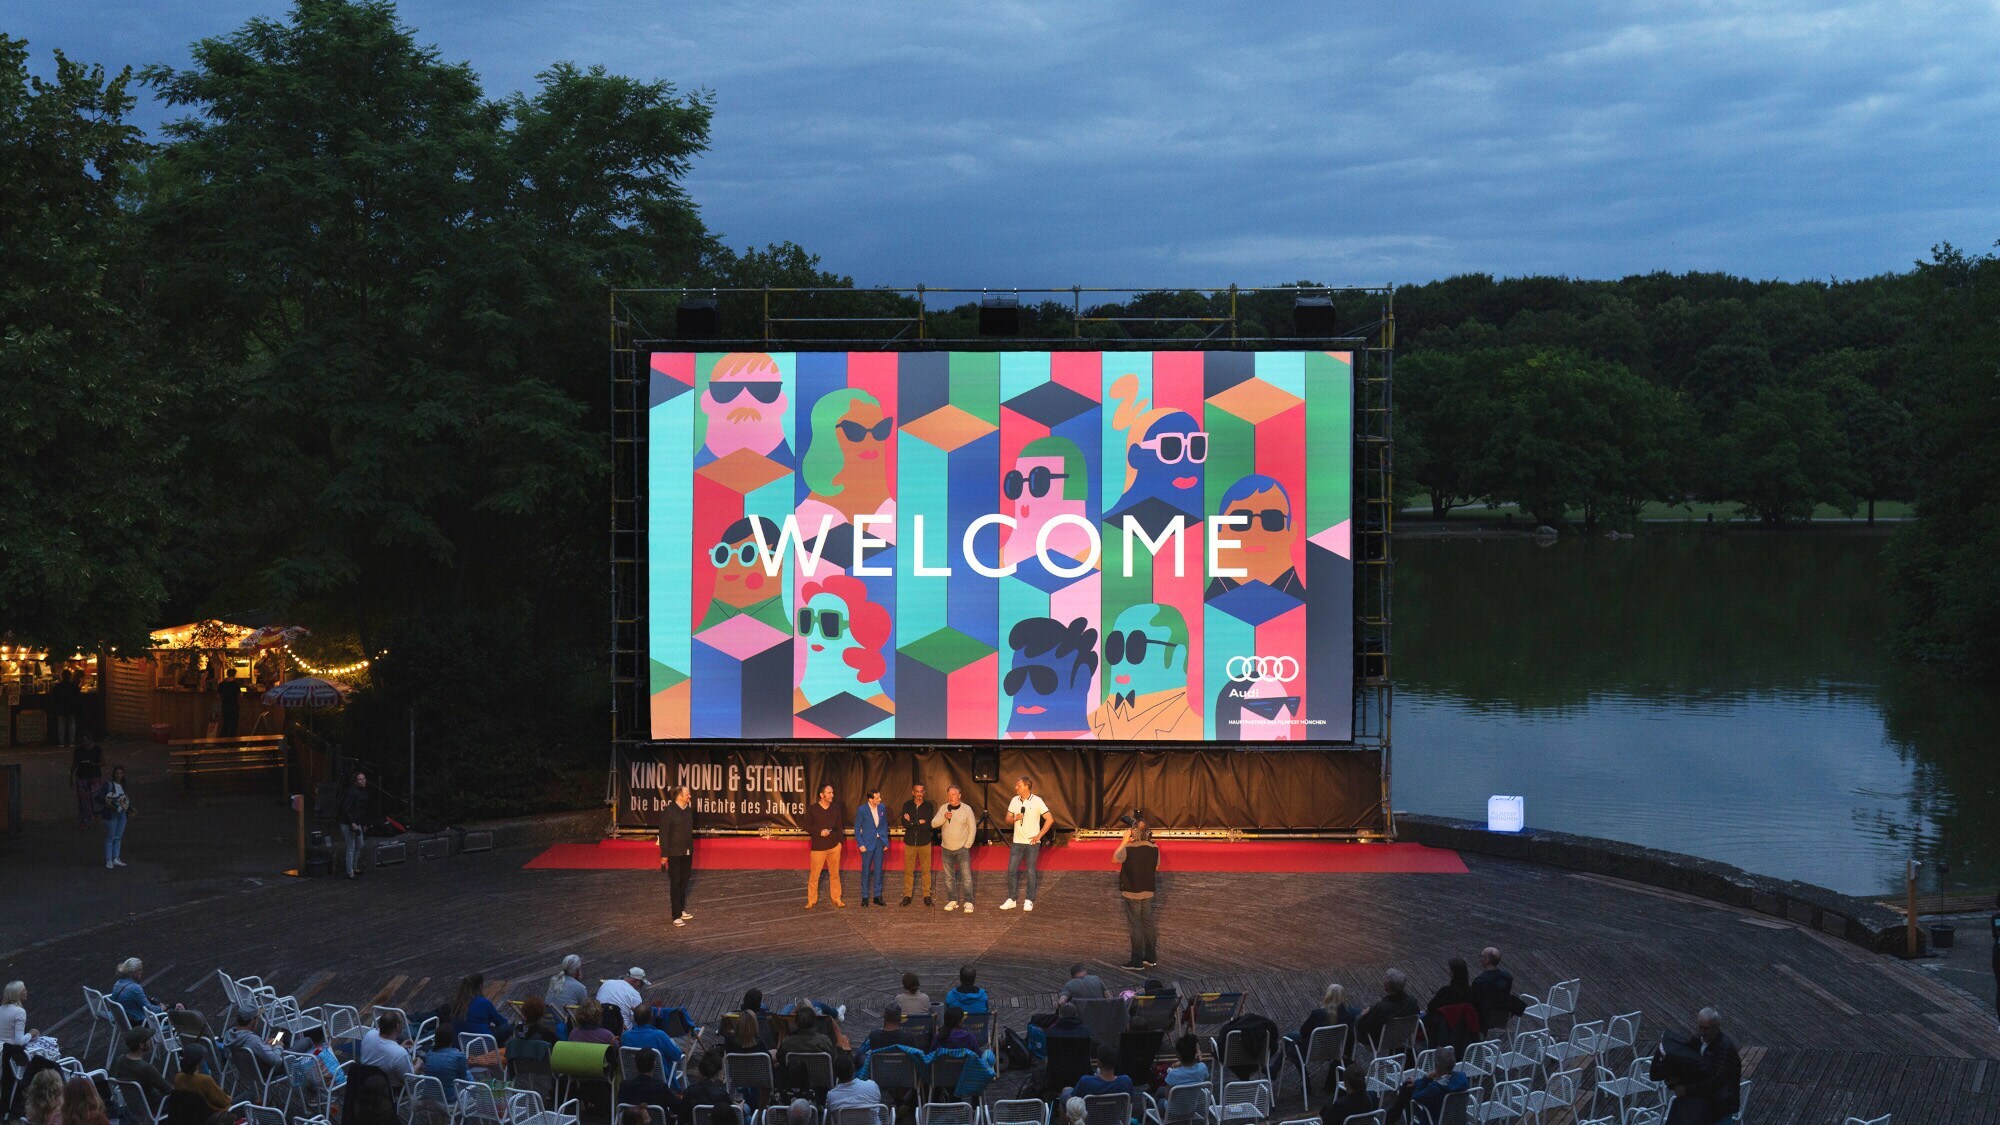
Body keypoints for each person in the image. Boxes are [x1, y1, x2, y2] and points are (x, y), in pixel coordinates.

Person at [1664, 1008, 1742, 1125]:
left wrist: (1686, 1089)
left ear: (1716, 1027)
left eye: (1707, 1028)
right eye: (1700, 1027)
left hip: (1719, 1101)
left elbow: (1716, 1081)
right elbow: (1686, 1063)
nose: (1703, 1032)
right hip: (1702, 1096)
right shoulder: (1697, 1040)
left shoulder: (1725, 1048)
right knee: (1676, 1110)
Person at [1112, 820, 1160, 969]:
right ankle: (1151, 958)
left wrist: (1124, 841)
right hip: (1148, 890)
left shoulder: (1128, 849)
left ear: (1133, 833)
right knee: (1147, 922)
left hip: (1132, 891)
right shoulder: (1154, 848)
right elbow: (1156, 867)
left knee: (1135, 925)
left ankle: (1137, 960)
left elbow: (1114, 859)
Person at [1001, 776, 1051, 911]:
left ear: (1026, 786)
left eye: (1018, 785)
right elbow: (1007, 819)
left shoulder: (1037, 801)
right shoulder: (1014, 800)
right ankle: (1012, 899)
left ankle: (1029, 899)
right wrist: (1014, 818)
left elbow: (1049, 819)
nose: (1015, 787)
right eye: (1016, 785)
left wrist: (1039, 835)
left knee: (1030, 871)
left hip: (1032, 843)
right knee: (1011, 870)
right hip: (1017, 842)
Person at [1385, 1045, 1466, 1125]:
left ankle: (1390, 1119)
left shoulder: (1435, 1088)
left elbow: (1416, 1097)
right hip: (1454, 1119)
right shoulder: (1462, 1078)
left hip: (1433, 1120)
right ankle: (1392, 1118)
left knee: (1408, 1089)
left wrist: (1426, 1078)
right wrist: (1418, 1082)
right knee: (1409, 1086)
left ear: (1437, 1067)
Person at [1353, 970, 1420, 1057]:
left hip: (1381, 1041)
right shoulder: (1412, 1002)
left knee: (1354, 1021)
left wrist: (1362, 1015)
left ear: (1386, 986)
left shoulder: (1382, 1007)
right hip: (1402, 1037)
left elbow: (1364, 1025)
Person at [932, 786, 977, 912]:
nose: (951, 797)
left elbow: (972, 828)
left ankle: (968, 901)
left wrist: (967, 845)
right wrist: (944, 817)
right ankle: (952, 899)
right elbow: (933, 824)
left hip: (962, 848)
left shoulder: (967, 809)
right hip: (946, 848)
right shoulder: (943, 808)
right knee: (948, 876)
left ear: (959, 795)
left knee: (966, 876)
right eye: (949, 795)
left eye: (953, 794)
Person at [804, 785, 846, 909]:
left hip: (834, 847)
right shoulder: (813, 809)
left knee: (835, 874)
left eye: (832, 792)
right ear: (822, 795)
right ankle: (811, 900)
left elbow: (839, 825)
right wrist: (819, 832)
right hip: (818, 848)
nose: (832, 795)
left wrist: (840, 843)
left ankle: (837, 898)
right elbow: (806, 826)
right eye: (829, 793)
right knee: (814, 876)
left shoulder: (835, 808)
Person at [660, 786, 695, 927]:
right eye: (687, 794)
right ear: (679, 795)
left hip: (687, 851)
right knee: (675, 883)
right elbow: (664, 834)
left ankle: (681, 910)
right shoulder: (668, 812)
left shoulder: (688, 810)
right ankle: (675, 916)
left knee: (684, 881)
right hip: (674, 853)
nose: (689, 796)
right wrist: (664, 854)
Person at [110, 1028, 174, 1103]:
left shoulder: (120, 1060)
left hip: (133, 1105)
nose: (150, 1041)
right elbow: (169, 1090)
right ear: (141, 1045)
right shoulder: (146, 1068)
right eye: (148, 1040)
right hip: (153, 1106)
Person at [1468, 947, 1524, 1033]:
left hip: (1484, 1020)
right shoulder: (1507, 977)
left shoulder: (1479, 982)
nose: (1480, 958)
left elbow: (1475, 1004)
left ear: (1487, 960)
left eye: (1481, 956)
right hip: (1502, 1018)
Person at [898, 783, 936, 906]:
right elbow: (904, 823)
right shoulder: (907, 805)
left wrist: (912, 822)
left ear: (924, 792)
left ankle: (927, 895)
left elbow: (928, 825)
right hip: (910, 842)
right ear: (913, 792)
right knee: (908, 871)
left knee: (926, 870)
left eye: (921, 791)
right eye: (917, 791)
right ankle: (907, 895)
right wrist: (918, 822)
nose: (919, 793)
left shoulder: (929, 806)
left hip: (924, 842)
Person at [358, 1011, 418, 1084]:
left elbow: (380, 1052)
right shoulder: (400, 1053)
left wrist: (399, 1046)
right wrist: (418, 1065)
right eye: (402, 1021)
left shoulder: (369, 1034)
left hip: (366, 1081)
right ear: (397, 1026)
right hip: (390, 1091)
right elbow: (409, 1079)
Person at [449, 974, 510, 1043]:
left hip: (460, 1043)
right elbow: (501, 1021)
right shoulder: (483, 1002)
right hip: (481, 1044)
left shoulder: (456, 1002)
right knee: (507, 1027)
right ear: (480, 986)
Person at [854, 790, 889, 908]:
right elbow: (857, 828)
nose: (880, 799)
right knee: (866, 871)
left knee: (879, 870)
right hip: (867, 844)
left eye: (879, 797)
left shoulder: (882, 807)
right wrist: (861, 844)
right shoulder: (862, 810)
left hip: (879, 843)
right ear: (870, 799)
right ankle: (865, 896)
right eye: (877, 798)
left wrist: (885, 840)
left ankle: (877, 896)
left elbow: (884, 824)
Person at [623, 1007, 685, 1072]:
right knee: (679, 1054)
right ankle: (683, 1081)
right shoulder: (659, 1035)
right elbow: (677, 1056)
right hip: (661, 1078)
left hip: (633, 1076)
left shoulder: (625, 1036)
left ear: (634, 1019)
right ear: (651, 1018)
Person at [775, 1008, 834, 1076]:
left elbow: (780, 1058)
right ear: (814, 1022)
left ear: (796, 1023)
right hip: (822, 1080)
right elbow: (832, 1059)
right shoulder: (824, 1040)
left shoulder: (787, 1041)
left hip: (796, 1080)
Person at [338, 770, 372, 879]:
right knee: (351, 846)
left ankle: (354, 865)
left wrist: (364, 824)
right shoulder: (351, 792)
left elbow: (363, 810)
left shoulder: (364, 791)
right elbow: (346, 808)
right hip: (347, 822)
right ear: (355, 781)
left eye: (364, 779)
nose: (363, 781)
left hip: (357, 822)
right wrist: (351, 822)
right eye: (360, 779)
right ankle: (350, 871)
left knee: (360, 844)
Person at [620, 1050, 677, 1115]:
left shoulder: (624, 1086)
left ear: (635, 1064)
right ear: (654, 1064)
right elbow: (676, 1108)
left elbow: (622, 1109)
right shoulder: (661, 1087)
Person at [1066, 1046, 1133, 1100]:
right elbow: (1131, 1101)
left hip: (1089, 1116)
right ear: (1116, 1062)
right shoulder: (1126, 1081)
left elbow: (1072, 1104)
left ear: (1098, 1062)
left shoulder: (1085, 1081)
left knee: (1066, 1092)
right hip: (1117, 1116)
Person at [109, 959, 165, 1023]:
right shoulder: (135, 988)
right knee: (173, 1015)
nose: (142, 972)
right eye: (140, 970)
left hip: (124, 1021)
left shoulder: (117, 983)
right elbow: (149, 1009)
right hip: (140, 1022)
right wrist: (162, 1008)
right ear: (134, 972)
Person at [99, 766, 131, 870]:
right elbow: (99, 797)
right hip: (112, 813)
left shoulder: (123, 786)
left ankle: (115, 858)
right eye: (117, 773)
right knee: (111, 837)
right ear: (114, 774)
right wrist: (107, 802)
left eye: (121, 773)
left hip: (122, 814)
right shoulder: (108, 785)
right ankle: (109, 859)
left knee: (118, 836)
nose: (119, 775)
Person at [70, 736, 103, 829]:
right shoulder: (78, 750)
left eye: (86, 741)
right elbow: (74, 764)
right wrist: (71, 776)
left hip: (94, 776)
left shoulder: (97, 749)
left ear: (90, 740)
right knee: (83, 800)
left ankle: (96, 813)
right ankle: (84, 821)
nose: (84, 743)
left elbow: (103, 762)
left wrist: (94, 764)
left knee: (94, 797)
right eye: (82, 741)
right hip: (81, 776)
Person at [215, 669, 246, 738]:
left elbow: (218, 696)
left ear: (227, 674)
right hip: (234, 705)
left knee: (226, 722)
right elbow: (240, 696)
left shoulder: (221, 684)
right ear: (234, 674)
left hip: (225, 705)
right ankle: (232, 740)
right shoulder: (236, 684)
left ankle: (222, 739)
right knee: (234, 724)